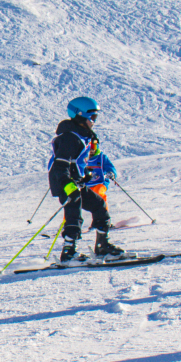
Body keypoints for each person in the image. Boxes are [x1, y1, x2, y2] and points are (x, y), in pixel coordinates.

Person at [47, 96, 126, 261]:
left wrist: (85, 175)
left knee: (99, 204)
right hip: (65, 182)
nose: (94, 121)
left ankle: (103, 246)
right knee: (74, 212)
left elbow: (77, 162)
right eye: (92, 117)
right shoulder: (69, 137)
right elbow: (61, 165)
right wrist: (67, 184)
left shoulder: (82, 136)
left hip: (75, 182)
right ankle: (68, 253)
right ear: (80, 115)